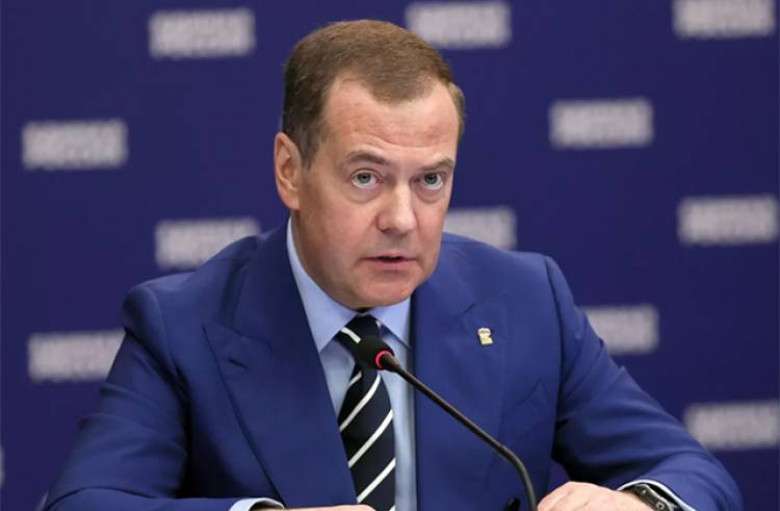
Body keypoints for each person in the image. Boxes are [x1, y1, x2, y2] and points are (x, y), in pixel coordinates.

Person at [43, 20, 741, 511]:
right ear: (290, 171)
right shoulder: (183, 325)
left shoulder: (526, 300)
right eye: (366, 178)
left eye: (431, 180)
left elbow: (692, 473)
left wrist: (639, 504)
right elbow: (85, 502)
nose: (403, 218)